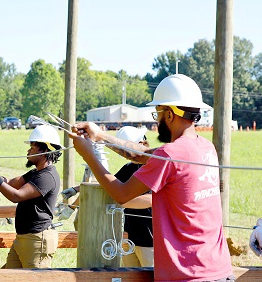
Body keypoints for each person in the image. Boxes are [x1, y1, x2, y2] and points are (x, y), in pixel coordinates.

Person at [69, 74, 234, 281]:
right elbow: (141, 155)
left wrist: (88, 155)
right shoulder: (205, 147)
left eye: (158, 113)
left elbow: (121, 194)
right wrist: (99, 136)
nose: (157, 121)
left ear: (170, 114)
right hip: (219, 271)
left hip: (188, 275)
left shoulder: (169, 154)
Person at [61, 126, 154, 267]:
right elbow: (106, 184)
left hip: (151, 241)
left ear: (142, 144)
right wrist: (75, 195)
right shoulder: (129, 168)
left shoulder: (154, 168)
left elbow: (151, 200)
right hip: (130, 239)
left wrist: (117, 201)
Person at [0, 125, 62, 268]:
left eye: (32, 147)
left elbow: (16, 196)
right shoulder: (35, 173)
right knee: (6, 278)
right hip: (24, 238)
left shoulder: (47, 177)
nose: (28, 151)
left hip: (36, 240)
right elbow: (9, 183)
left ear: (45, 150)